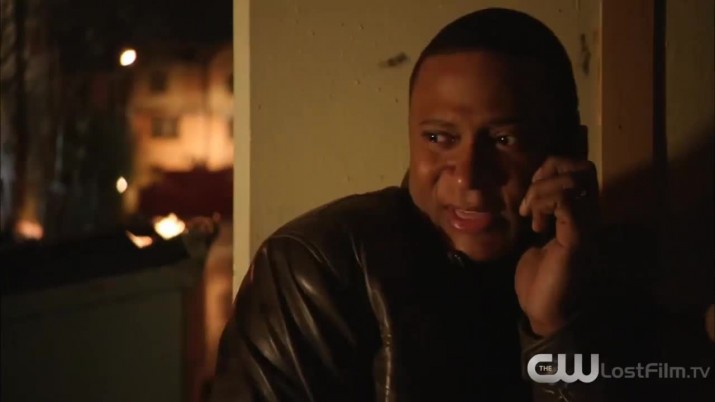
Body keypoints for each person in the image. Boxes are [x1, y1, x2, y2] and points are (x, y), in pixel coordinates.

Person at [209, 8, 713, 402]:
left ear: (570, 150)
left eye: (504, 140)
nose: (468, 176)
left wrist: (554, 332)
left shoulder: (628, 274)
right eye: (438, 138)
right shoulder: (319, 268)